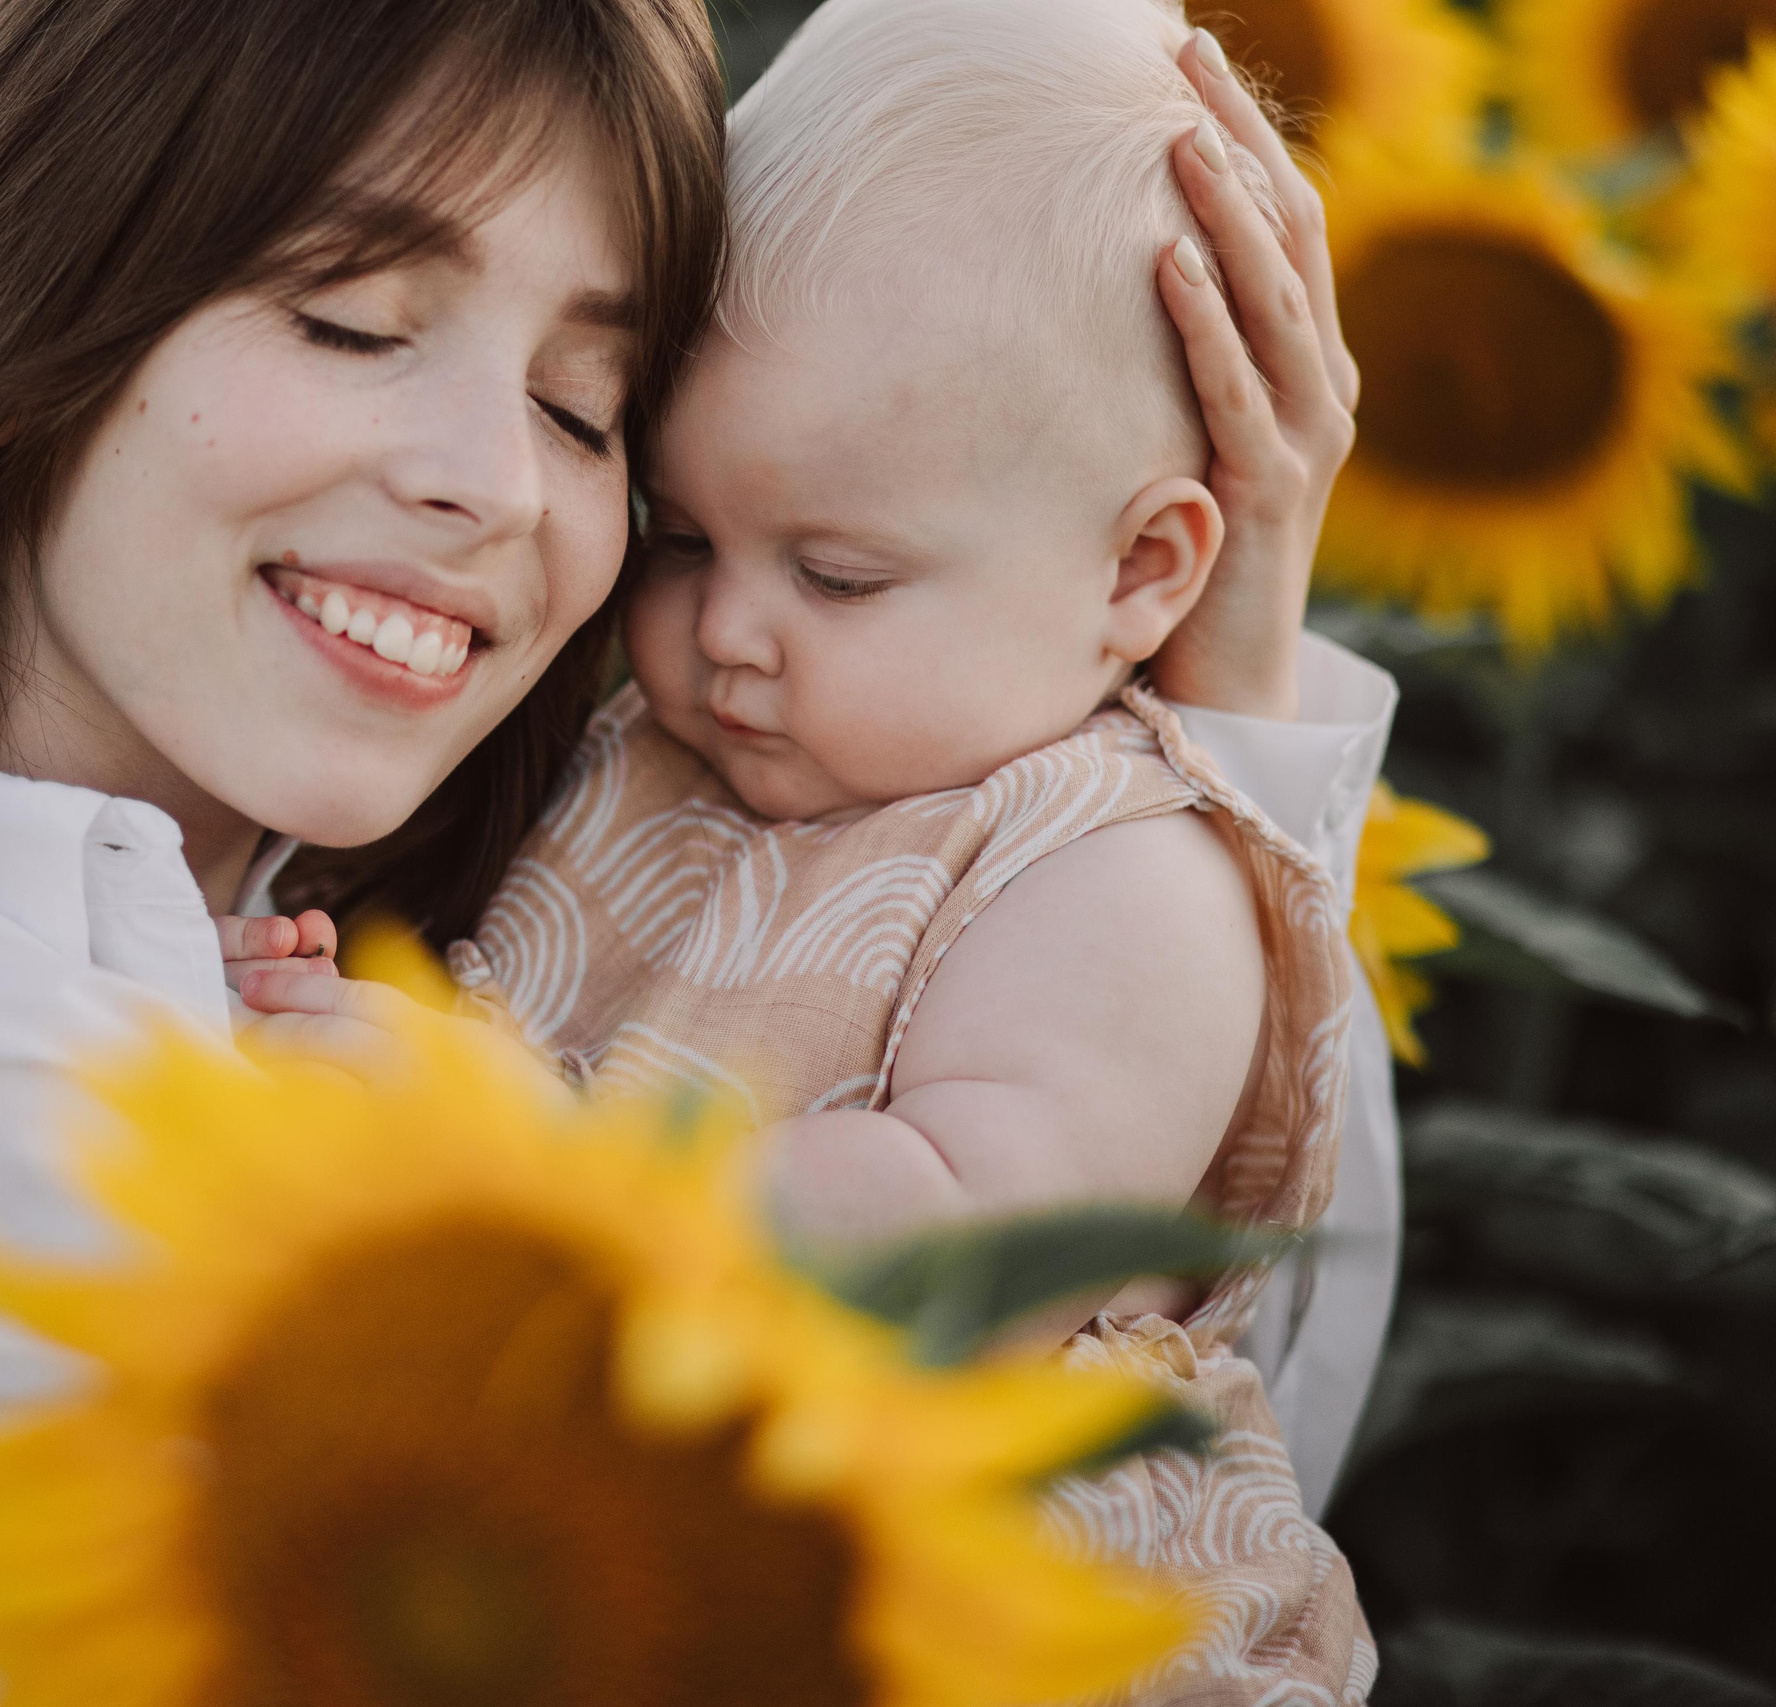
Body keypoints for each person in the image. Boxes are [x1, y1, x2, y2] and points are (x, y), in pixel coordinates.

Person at [0, 0, 1379, 1702]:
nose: (494, 482)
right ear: (30, 309)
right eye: (352, 320)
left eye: (585, 413)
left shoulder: (298, 876)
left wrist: (1199, 704)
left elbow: (1194, 1360)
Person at [230, 0, 1396, 1692]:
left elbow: (963, 1249)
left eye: (838, 577)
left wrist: (518, 1172)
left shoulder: (1127, 869)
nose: (729, 635)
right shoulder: (661, 749)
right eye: (684, 536)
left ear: (1147, 572)